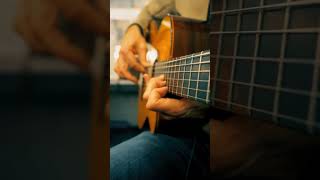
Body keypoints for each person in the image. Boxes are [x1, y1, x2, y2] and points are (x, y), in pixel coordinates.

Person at [112, 0, 320, 180]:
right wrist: (135, 27)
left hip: (239, 145)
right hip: (184, 130)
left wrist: (204, 103)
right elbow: (161, 5)